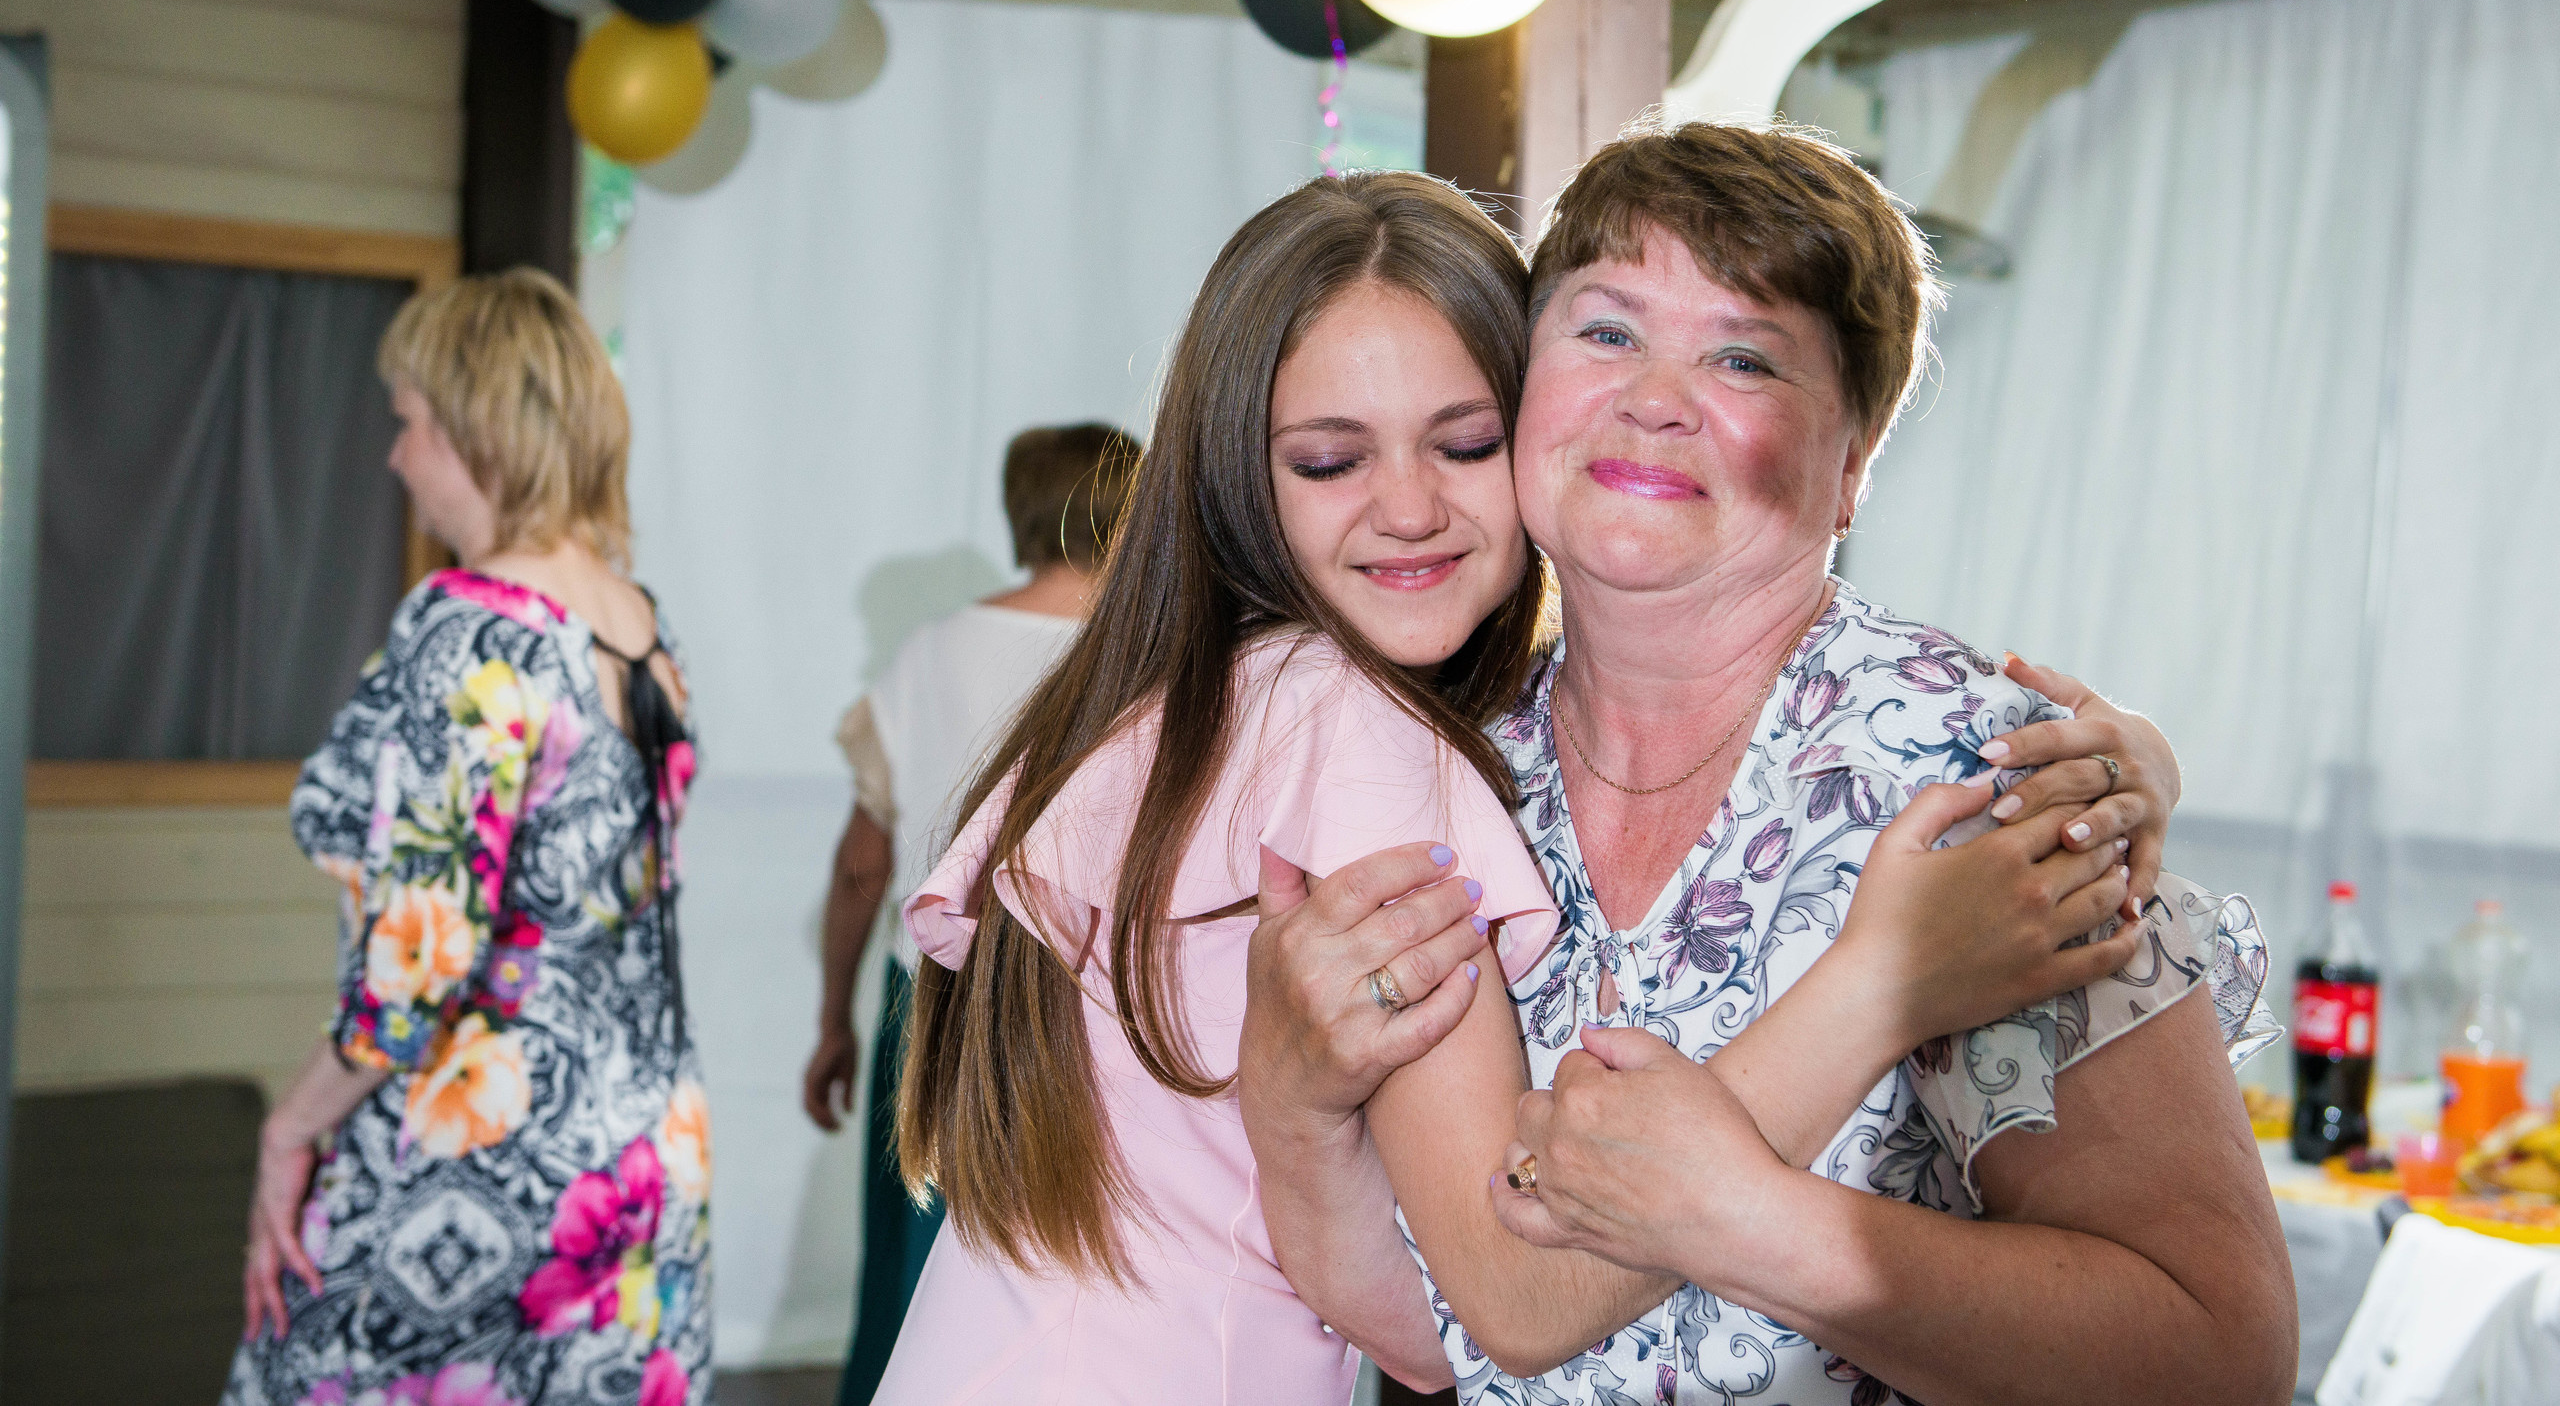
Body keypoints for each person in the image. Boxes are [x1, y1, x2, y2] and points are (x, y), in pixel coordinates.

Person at [875, 171, 2165, 1406]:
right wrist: (1886, 980)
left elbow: (1436, 1343)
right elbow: (1521, 1297)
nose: (1408, 509)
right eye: (1329, 461)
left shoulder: (1186, 695)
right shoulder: (1341, 724)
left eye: (1465, 442)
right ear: (1233, 474)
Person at [1241, 125, 2293, 1404]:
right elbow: (1451, 1323)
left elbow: (2215, 1355)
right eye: (1608, 331)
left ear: (1851, 467)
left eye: (1742, 356)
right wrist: (1294, 1112)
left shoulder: (1977, 775)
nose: (1655, 396)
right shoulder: (1449, 759)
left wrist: (1749, 1219)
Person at [227, 269, 711, 1406]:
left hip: (471, 1164)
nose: (397, 458)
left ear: (477, 430)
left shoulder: (467, 629)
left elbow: (420, 955)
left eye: (409, 424)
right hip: (635, 1158)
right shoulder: (640, 623)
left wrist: (288, 1130)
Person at [803, 421, 1139, 1406]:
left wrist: (833, 1020)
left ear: (1018, 508)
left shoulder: (930, 654)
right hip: (1102, 1019)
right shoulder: (1156, 657)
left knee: (919, 1280)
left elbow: (864, 867)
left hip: (936, 1010)